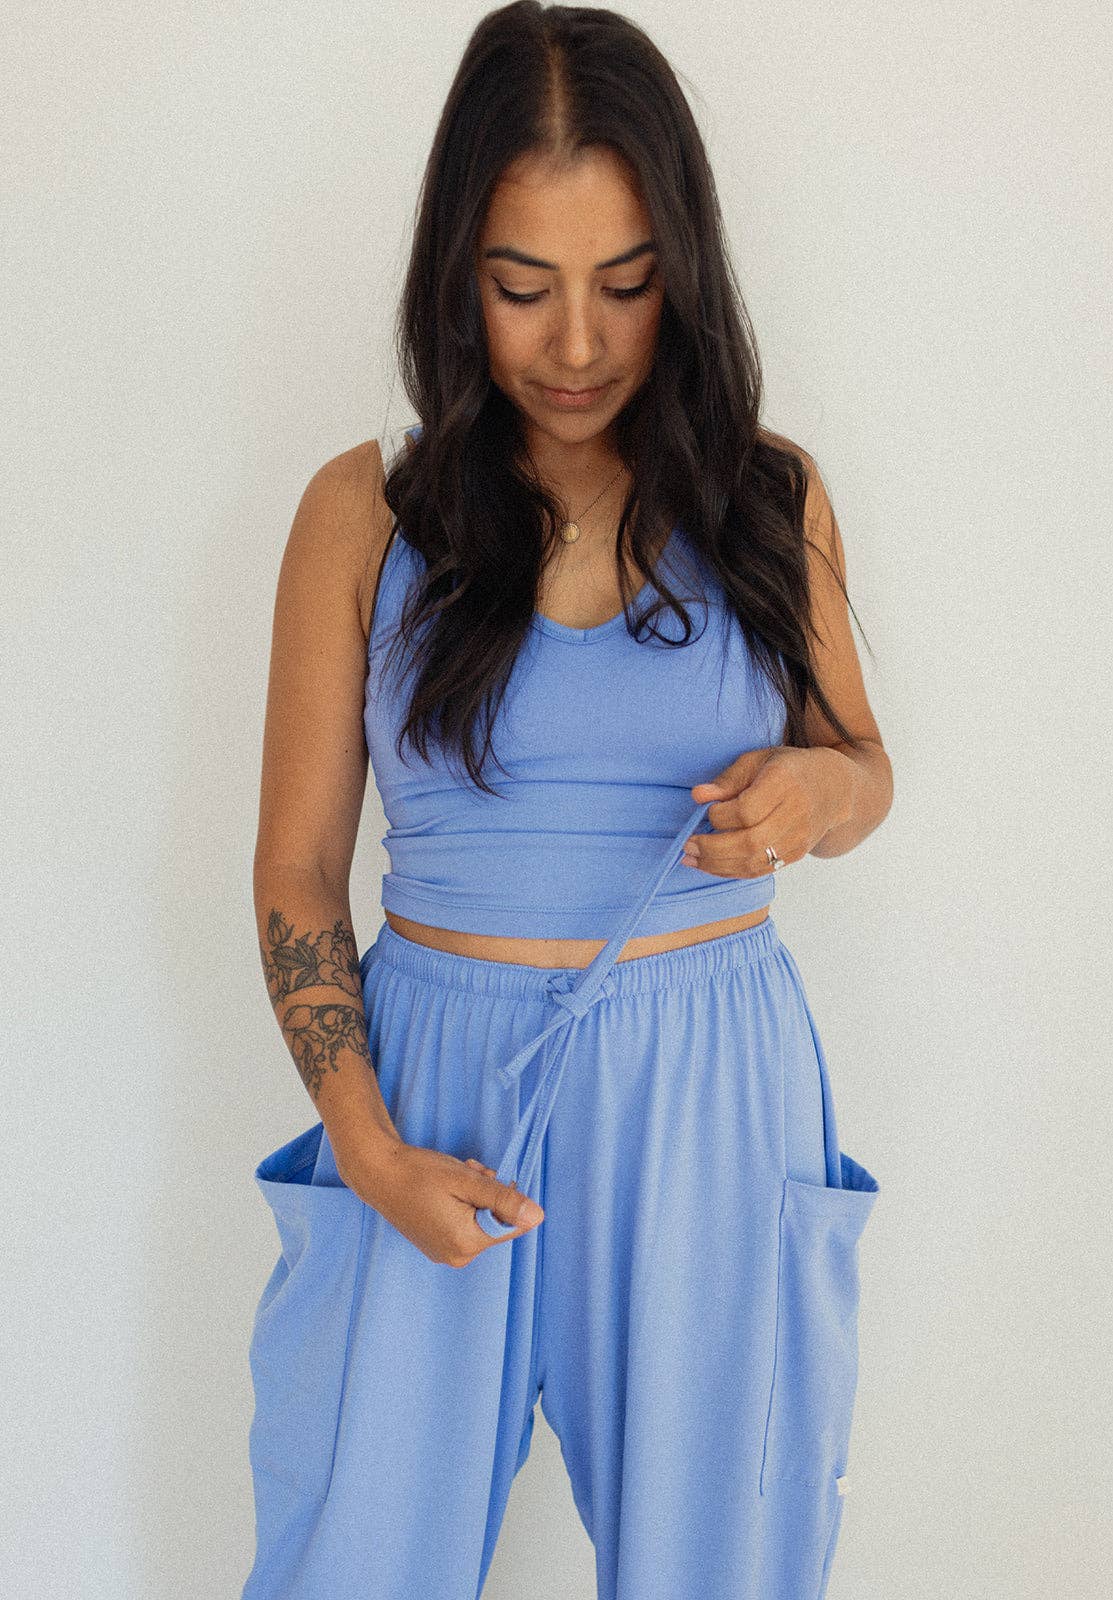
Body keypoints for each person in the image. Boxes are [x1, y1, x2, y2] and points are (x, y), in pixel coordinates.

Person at [240, 4, 891, 1597]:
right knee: (355, 1558)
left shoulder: (766, 495)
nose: (579, 345)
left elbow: (863, 769)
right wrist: (370, 1145)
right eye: (522, 287)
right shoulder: (364, 514)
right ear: (454, 275)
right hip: (428, 1083)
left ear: (686, 263)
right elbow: (300, 871)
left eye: (626, 284)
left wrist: (817, 791)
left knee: (716, 1563)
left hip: (709, 1087)